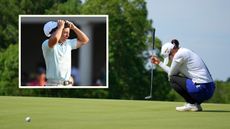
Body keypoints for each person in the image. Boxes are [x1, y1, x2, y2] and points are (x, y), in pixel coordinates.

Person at [151, 39, 215, 111]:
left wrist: (160, 64)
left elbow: (171, 74)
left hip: (201, 89)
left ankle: (191, 104)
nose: (170, 59)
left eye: (169, 56)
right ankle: (196, 105)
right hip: (210, 88)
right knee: (175, 77)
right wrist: (159, 63)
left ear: (171, 51)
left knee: (172, 79)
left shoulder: (179, 55)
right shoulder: (184, 52)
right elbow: (173, 72)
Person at [42, 20, 89, 86]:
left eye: (68, 32)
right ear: (54, 32)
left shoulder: (68, 43)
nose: (68, 35)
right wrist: (60, 27)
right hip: (53, 84)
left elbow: (85, 40)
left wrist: (74, 28)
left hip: (68, 84)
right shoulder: (46, 43)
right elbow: (55, 39)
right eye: (65, 32)